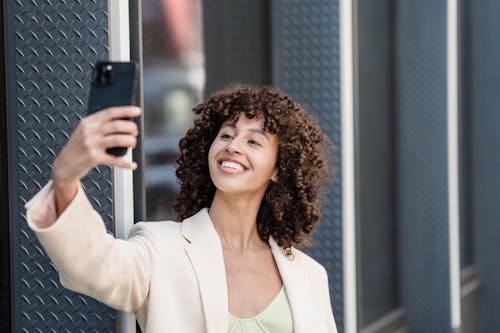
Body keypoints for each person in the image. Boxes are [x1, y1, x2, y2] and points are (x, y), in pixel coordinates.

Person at [25, 85, 338, 333]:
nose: (233, 146)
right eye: (226, 134)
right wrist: (65, 178)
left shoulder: (308, 275)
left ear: (278, 169)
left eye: (254, 142)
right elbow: (94, 267)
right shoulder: (161, 248)